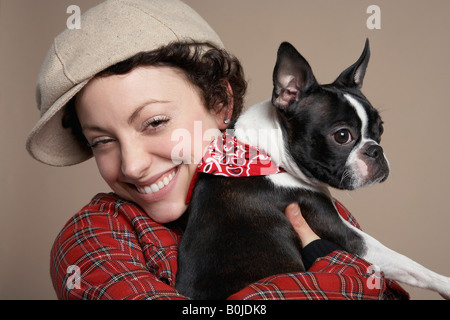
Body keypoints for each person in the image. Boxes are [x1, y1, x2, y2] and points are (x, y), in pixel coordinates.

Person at [26, 0, 408, 300]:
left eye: (155, 122)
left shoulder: (301, 193)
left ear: (222, 105)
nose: (134, 165)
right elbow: (372, 281)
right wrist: (347, 270)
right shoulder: (96, 233)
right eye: (102, 141)